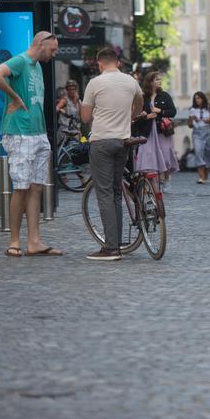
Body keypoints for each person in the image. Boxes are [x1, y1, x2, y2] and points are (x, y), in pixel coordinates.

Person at [0, 31, 63, 257]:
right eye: (53, 49)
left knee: (36, 187)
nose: (54, 54)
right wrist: (14, 97)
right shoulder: (21, 61)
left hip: (38, 132)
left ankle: (34, 241)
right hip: (20, 132)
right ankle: (14, 241)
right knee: (21, 187)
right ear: (41, 44)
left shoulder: (37, 66)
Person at [80, 47, 143, 261]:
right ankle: (116, 243)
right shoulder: (130, 81)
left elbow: (85, 117)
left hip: (101, 142)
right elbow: (140, 102)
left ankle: (111, 248)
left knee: (105, 193)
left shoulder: (95, 83)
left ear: (99, 64)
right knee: (116, 192)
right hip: (122, 141)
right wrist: (130, 117)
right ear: (118, 62)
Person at [132, 71, 179, 192]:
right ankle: (152, 183)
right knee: (149, 155)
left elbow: (173, 112)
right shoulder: (142, 97)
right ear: (150, 82)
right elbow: (135, 116)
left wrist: (160, 111)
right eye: (157, 79)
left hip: (162, 130)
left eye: (160, 79)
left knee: (165, 156)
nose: (160, 81)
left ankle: (166, 179)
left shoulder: (165, 96)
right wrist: (146, 116)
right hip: (147, 131)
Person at [188, 91, 210, 184]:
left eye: (199, 98)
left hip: (207, 132)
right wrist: (192, 119)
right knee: (198, 152)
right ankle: (201, 177)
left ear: (203, 98)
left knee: (208, 154)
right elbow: (189, 125)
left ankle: (206, 177)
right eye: (195, 98)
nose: (197, 100)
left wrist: (209, 120)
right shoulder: (192, 110)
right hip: (197, 133)